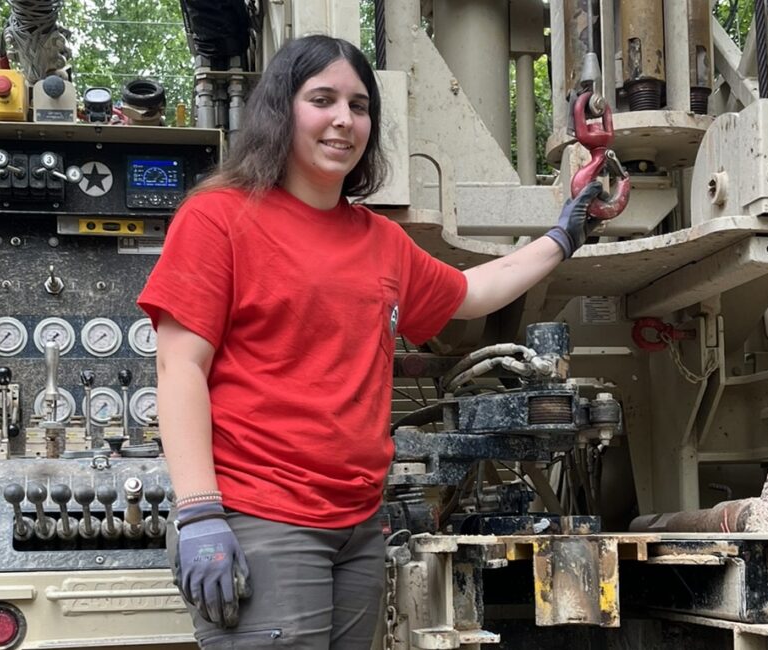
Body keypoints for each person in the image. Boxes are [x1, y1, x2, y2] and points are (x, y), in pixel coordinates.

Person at [136, 34, 603, 650]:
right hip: (263, 517)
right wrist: (198, 510)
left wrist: (567, 232)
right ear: (281, 110)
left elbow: (468, 293)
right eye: (322, 99)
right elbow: (179, 368)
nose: (343, 120)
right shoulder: (219, 217)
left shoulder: (377, 240)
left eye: (358, 106)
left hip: (357, 526)